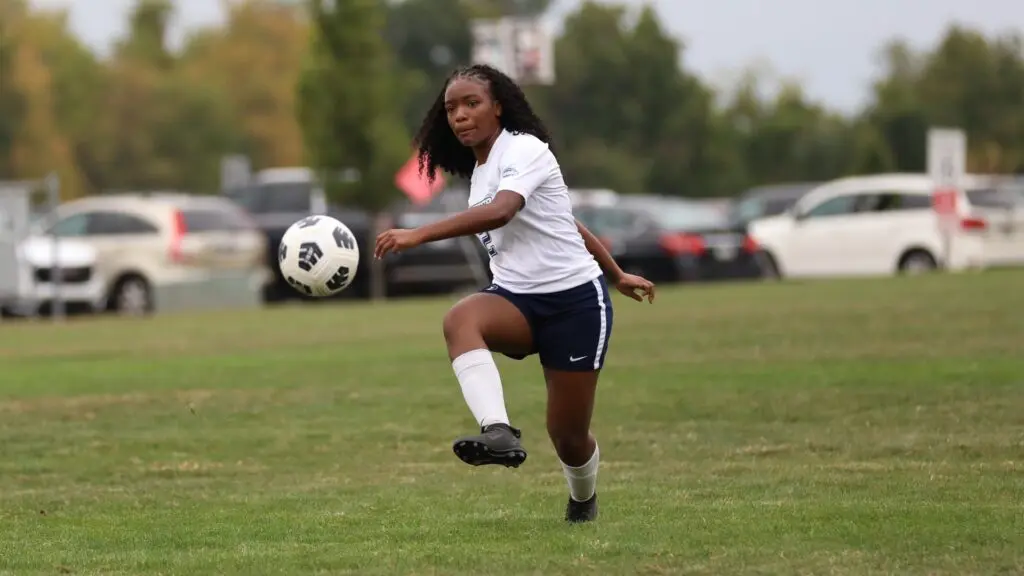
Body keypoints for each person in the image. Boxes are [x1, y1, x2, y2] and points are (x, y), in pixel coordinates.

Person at [374, 64, 655, 524]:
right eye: (451, 109)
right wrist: (619, 270)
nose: (460, 115)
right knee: (460, 320)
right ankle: (498, 431)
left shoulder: (526, 149)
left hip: (575, 304)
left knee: (567, 434)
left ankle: (583, 501)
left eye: (472, 103)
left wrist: (614, 275)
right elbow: (565, 219)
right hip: (517, 299)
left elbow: (505, 212)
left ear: (498, 106)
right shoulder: (481, 174)